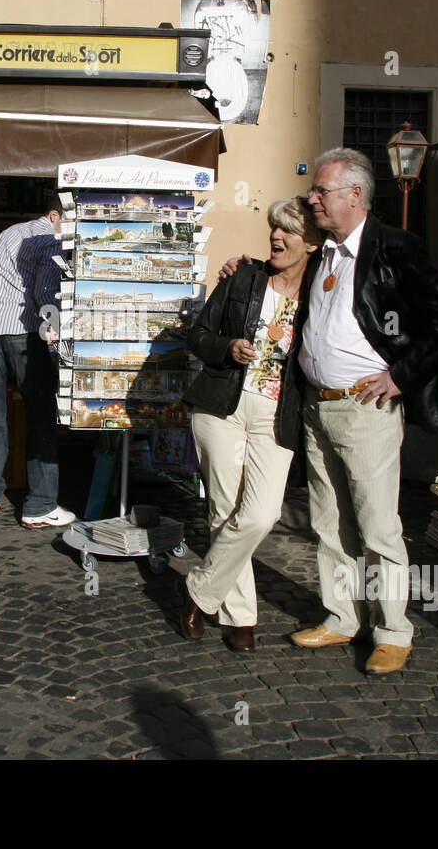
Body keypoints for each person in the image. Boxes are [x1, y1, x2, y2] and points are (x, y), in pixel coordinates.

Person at [281, 148, 438, 674]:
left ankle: (393, 630)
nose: (311, 199)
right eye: (313, 191)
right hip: (319, 408)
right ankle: (342, 618)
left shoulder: (395, 249)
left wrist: (401, 375)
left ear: (354, 195)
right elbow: (276, 271)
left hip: (365, 409)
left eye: (321, 191)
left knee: (378, 526)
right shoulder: (323, 253)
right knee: (329, 522)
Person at [180, 200, 318, 653]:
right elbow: (199, 335)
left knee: (261, 514)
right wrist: (227, 347)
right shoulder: (244, 277)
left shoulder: (324, 291)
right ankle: (240, 617)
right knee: (223, 510)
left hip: (277, 416)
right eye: (274, 228)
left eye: (289, 231)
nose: (276, 238)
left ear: (311, 243)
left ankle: (200, 590)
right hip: (221, 406)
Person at [0, 197, 75, 528]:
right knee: (41, 415)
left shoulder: (9, 233)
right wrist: (54, 327)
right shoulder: (48, 237)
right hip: (25, 331)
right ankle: (40, 504)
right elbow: (44, 290)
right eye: (68, 220)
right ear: (53, 214)